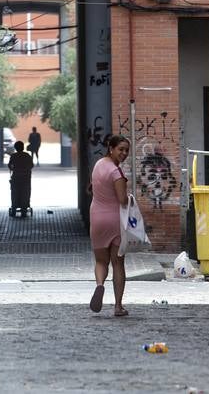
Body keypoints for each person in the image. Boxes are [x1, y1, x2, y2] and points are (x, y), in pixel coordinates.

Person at [88, 134, 130, 317]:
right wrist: (130, 199)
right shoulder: (116, 172)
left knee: (100, 261)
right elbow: (122, 200)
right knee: (118, 263)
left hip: (97, 218)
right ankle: (118, 306)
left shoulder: (98, 165)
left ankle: (99, 285)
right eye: (121, 149)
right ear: (111, 148)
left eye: (127, 150)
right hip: (114, 220)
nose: (124, 153)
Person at [8, 140, 33, 217]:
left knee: (15, 193)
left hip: (16, 178)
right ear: (23, 147)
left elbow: (10, 165)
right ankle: (24, 209)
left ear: (15, 148)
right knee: (25, 193)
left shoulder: (13, 156)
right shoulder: (27, 155)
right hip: (26, 178)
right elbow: (31, 165)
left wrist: (13, 169)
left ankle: (14, 206)